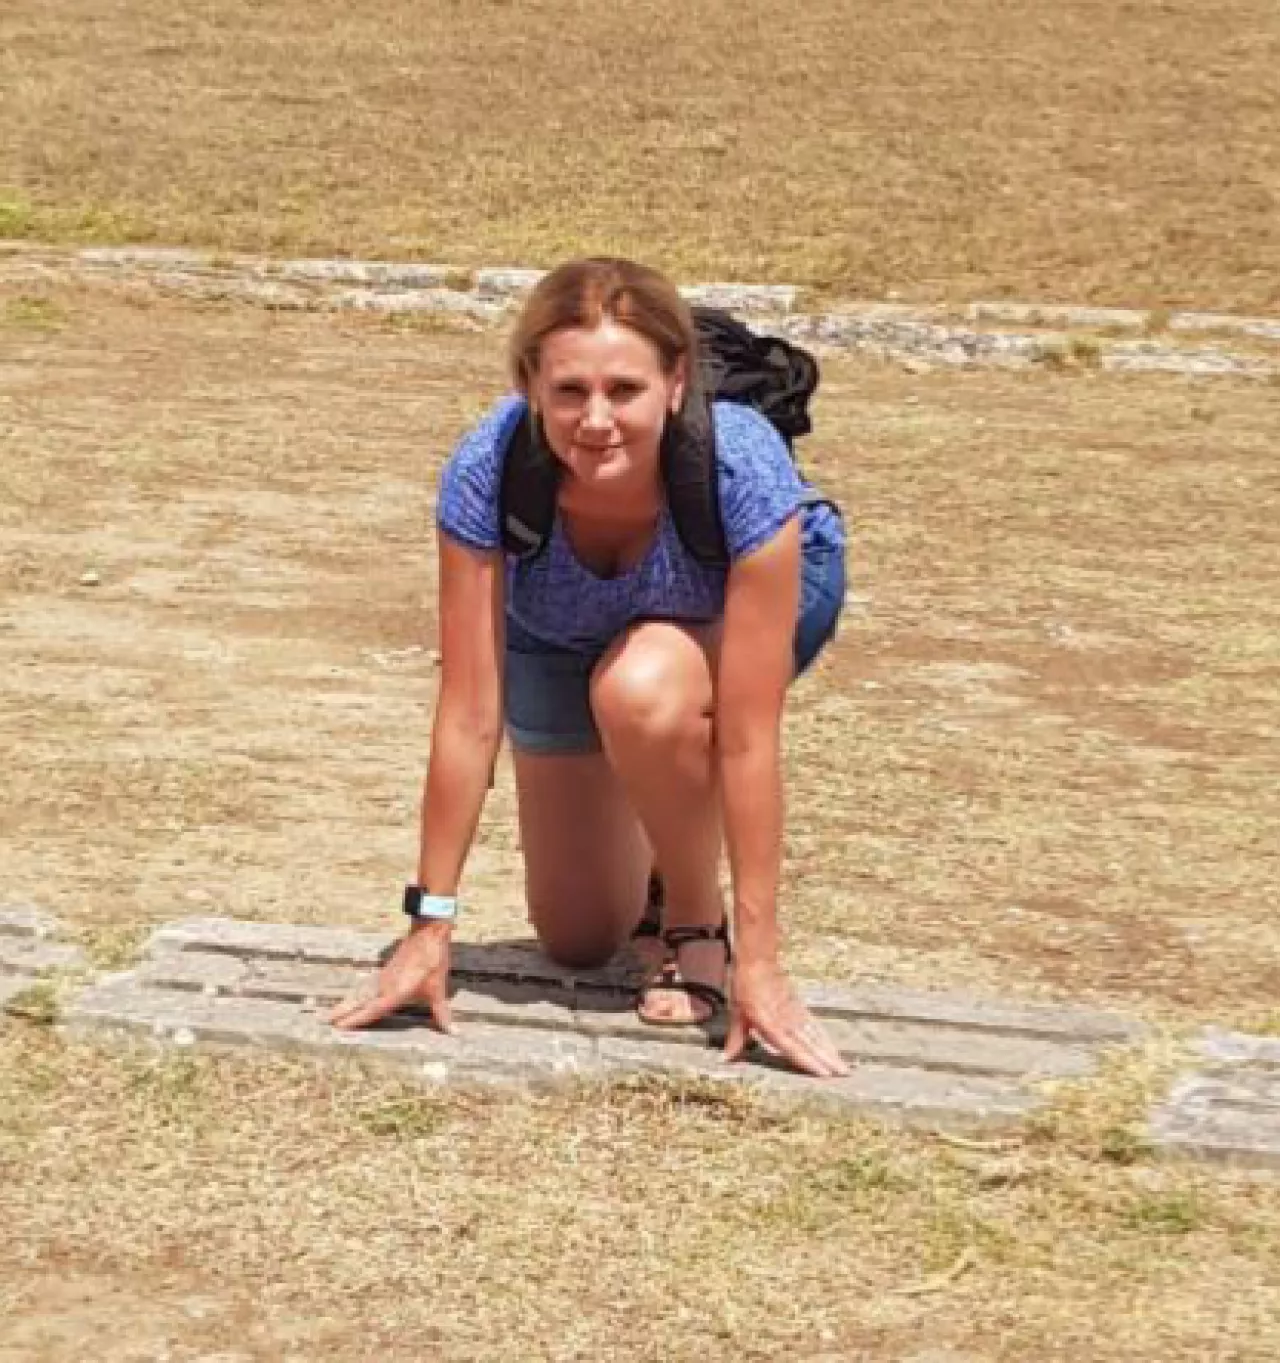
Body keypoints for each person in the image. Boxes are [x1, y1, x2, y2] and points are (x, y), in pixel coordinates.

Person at [332, 257, 849, 1078]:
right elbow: (468, 714)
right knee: (578, 936)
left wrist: (761, 960)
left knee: (640, 691)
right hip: (559, 629)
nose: (597, 420)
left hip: (725, 611)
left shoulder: (740, 464)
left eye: (625, 390)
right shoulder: (488, 468)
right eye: (570, 391)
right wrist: (429, 926)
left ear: (675, 383)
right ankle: (655, 829)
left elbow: (748, 740)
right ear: (531, 386)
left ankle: (693, 921)